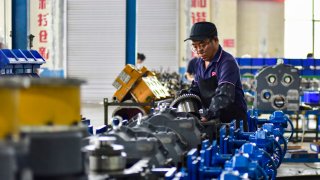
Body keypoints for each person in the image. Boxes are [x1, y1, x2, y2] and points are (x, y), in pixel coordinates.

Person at [183, 21, 248, 131]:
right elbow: (197, 90)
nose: (199, 50)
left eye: (203, 45)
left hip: (233, 124)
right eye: (195, 46)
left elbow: (225, 94)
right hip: (213, 122)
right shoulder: (199, 63)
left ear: (215, 41)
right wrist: (186, 96)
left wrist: (208, 115)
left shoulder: (227, 62)